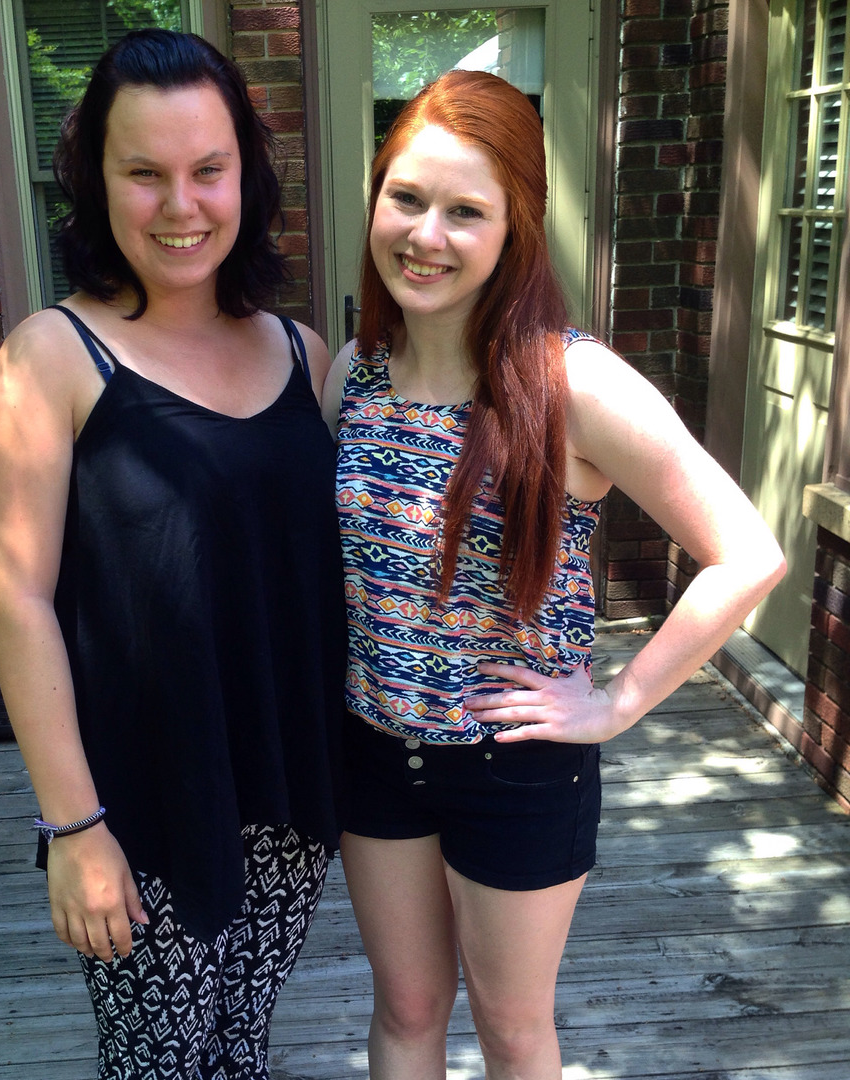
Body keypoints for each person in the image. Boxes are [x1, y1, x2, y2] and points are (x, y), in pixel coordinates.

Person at [323, 69, 786, 1080]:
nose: (426, 235)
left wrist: (616, 703)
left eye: (465, 211)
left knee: (511, 1029)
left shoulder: (570, 382)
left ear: (515, 228)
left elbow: (748, 553)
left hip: (515, 764)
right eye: (406, 198)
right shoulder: (353, 373)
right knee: (405, 1009)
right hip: (373, 751)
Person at [0, 29, 346, 1080]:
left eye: (207, 170)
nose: (181, 205)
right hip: (141, 804)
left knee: (241, 1043)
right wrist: (74, 826)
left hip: (283, 790)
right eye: (144, 173)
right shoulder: (49, 358)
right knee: (158, 1060)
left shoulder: (300, 351)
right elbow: (14, 600)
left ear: (245, 177)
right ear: (98, 182)